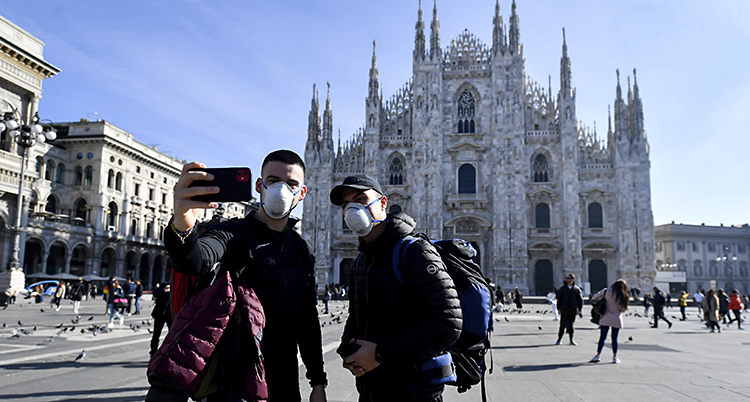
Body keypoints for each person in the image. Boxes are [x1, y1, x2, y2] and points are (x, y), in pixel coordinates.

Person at [147, 150, 327, 402]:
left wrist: (317, 381)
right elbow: (195, 259)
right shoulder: (235, 233)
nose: (282, 190)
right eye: (273, 181)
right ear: (259, 185)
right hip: (235, 378)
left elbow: (307, 319)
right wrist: (182, 224)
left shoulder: (301, 250)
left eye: (291, 184)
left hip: (284, 379)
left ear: (302, 192)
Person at [330, 173, 462, 402]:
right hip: (371, 390)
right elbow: (357, 316)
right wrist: (349, 347)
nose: (352, 210)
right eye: (345, 205)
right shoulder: (362, 260)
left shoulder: (415, 251)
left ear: (383, 203)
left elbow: (448, 324)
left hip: (414, 393)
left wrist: (380, 354)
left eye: (361, 200)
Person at [589, 279, 630, 364]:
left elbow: (595, 297)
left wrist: (604, 300)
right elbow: (622, 310)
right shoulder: (623, 295)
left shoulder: (606, 291)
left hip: (605, 317)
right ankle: (615, 357)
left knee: (602, 337)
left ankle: (598, 355)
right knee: (614, 338)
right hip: (616, 319)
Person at [556, 274, 583, 345]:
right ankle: (559, 339)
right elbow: (559, 299)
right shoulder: (563, 289)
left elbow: (580, 300)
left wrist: (579, 309)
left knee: (571, 325)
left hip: (573, 309)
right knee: (562, 325)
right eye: (566, 278)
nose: (567, 279)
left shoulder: (576, 289)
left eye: (568, 278)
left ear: (572, 280)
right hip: (564, 309)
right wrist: (558, 308)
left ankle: (571, 339)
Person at [150, 282, 172, 357]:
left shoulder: (176, 286)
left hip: (170, 315)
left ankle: (170, 351)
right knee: (156, 334)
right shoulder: (165, 284)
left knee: (172, 334)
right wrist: (164, 290)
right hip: (160, 314)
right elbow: (155, 292)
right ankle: (153, 352)